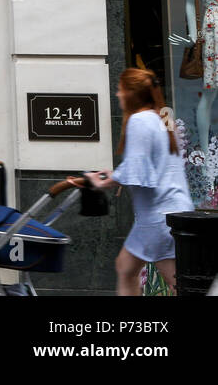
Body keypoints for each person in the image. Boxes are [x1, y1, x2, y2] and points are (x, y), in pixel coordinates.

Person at [88, 67, 193, 295]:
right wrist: (117, 175)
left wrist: (105, 180)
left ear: (131, 94)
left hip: (158, 217)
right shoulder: (165, 116)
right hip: (174, 209)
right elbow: (157, 163)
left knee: (180, 286)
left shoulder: (139, 120)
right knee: (125, 267)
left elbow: (137, 169)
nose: (117, 95)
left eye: (120, 90)